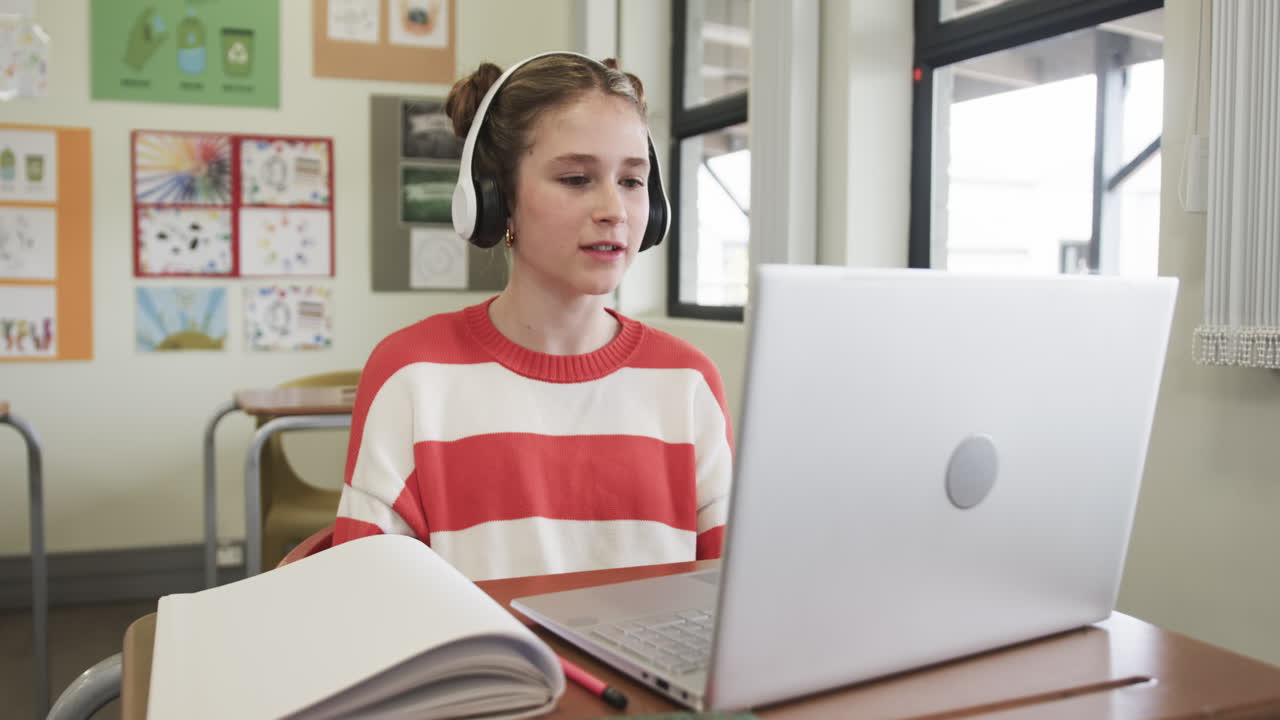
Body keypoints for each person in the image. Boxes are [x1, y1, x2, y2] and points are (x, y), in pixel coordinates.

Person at [333, 52, 734, 581]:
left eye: (633, 182)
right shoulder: (413, 376)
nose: (614, 208)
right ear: (496, 199)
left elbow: (727, 595)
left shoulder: (687, 381)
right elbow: (368, 597)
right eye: (576, 178)